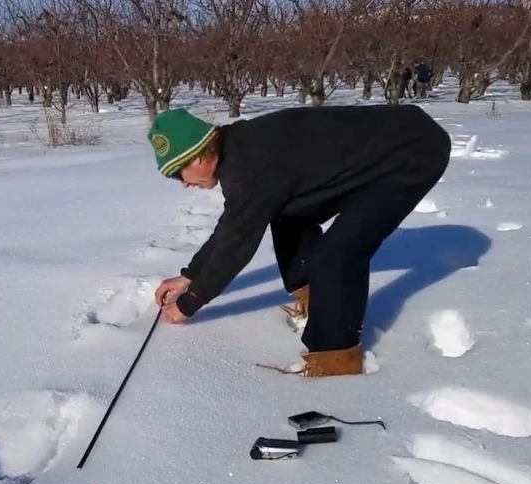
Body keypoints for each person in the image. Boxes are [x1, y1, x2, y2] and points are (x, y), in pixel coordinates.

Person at [148, 104, 451, 378]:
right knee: (287, 214)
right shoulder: (238, 149)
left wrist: (190, 302)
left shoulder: (250, 166)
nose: (185, 184)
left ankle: (335, 360)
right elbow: (234, 226)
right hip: (378, 151)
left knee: (335, 258)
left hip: (413, 152)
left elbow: (235, 248)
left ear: (198, 156)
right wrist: (190, 275)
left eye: (179, 173)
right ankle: (315, 295)